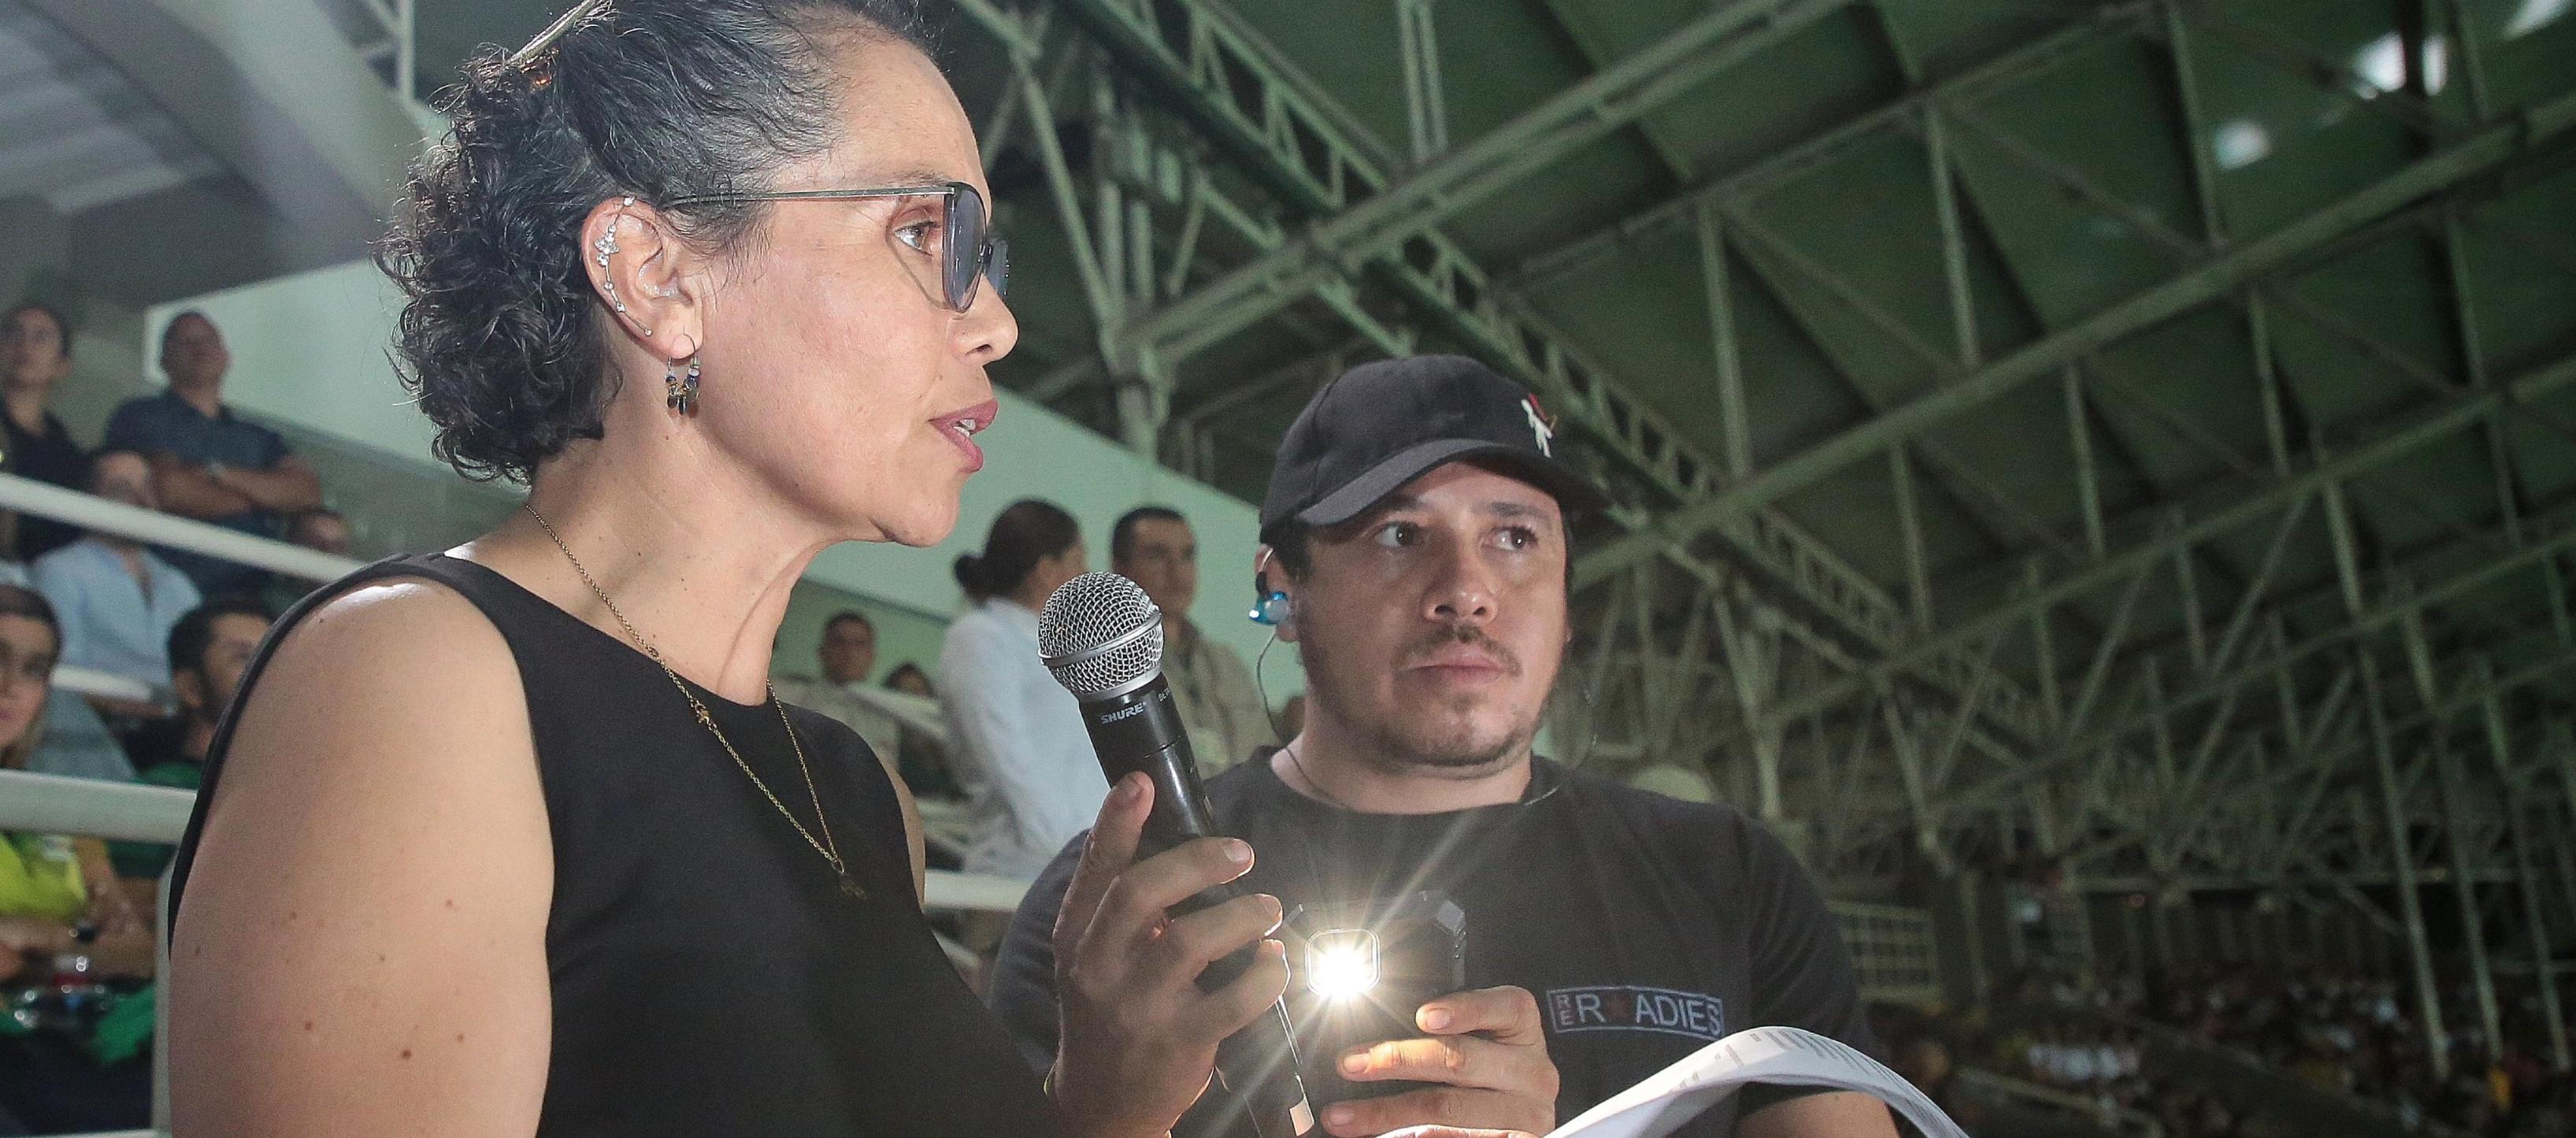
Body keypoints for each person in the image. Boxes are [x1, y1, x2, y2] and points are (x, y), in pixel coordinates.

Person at [158, 3, 1286, 1135]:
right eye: (919, 232)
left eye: (980, 257)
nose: (991, 321)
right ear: (655, 274)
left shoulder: (855, 791)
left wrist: (1097, 1105)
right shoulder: (414, 683)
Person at [992, 357, 1900, 1138]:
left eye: (1514, 537)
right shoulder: (1120, 916)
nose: (1466, 591)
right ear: (1281, 586)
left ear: (1568, 599)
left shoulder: (1727, 878)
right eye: (1399, 534)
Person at [0, 584, 156, 1135]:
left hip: (72, 1037)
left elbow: (140, 949)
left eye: (34, 668)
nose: (9, 686)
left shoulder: (64, 811)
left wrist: (47, 937)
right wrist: (81, 939)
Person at [102, 311, 322, 597]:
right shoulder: (142, 416)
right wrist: (265, 499)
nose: (201, 348)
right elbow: (166, 490)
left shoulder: (258, 436)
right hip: (167, 585)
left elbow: (305, 493)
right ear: (163, 361)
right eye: (187, 341)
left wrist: (216, 473)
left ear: (226, 356)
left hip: (253, 589)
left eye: (209, 340)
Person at [936, 498, 1097, 882]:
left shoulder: (1072, 645)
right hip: (1023, 872)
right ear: (1045, 571)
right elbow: (1006, 762)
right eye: (1078, 559)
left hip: (1085, 865)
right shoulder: (980, 638)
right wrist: (1070, 853)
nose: (1088, 572)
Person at [108, 597, 274, 878]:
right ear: (191, 688)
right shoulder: (154, 791)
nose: (270, 672)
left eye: (274, 655)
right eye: (243, 658)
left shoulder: (298, 782)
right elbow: (134, 897)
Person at [30, 450, 202, 720]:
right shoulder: (60, 570)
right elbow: (62, 675)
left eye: (148, 487)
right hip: (95, 729)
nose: (143, 501)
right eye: (123, 490)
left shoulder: (177, 582)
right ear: (89, 499)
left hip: (177, 728)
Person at [1110, 506, 1271, 775]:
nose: (1177, 572)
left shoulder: (1225, 661)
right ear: (1121, 568)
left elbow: (1265, 753)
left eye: (1187, 556)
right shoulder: (1112, 662)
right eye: (1157, 556)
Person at [1, 302, 91, 564]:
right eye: (14, 333)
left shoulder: (71, 458)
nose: (25, 346)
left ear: (62, 365)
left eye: (41, 337)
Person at [773, 609, 907, 787]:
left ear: (872, 656)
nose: (849, 652)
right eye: (839, 643)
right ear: (822, 652)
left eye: (859, 644)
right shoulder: (790, 697)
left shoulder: (889, 712)